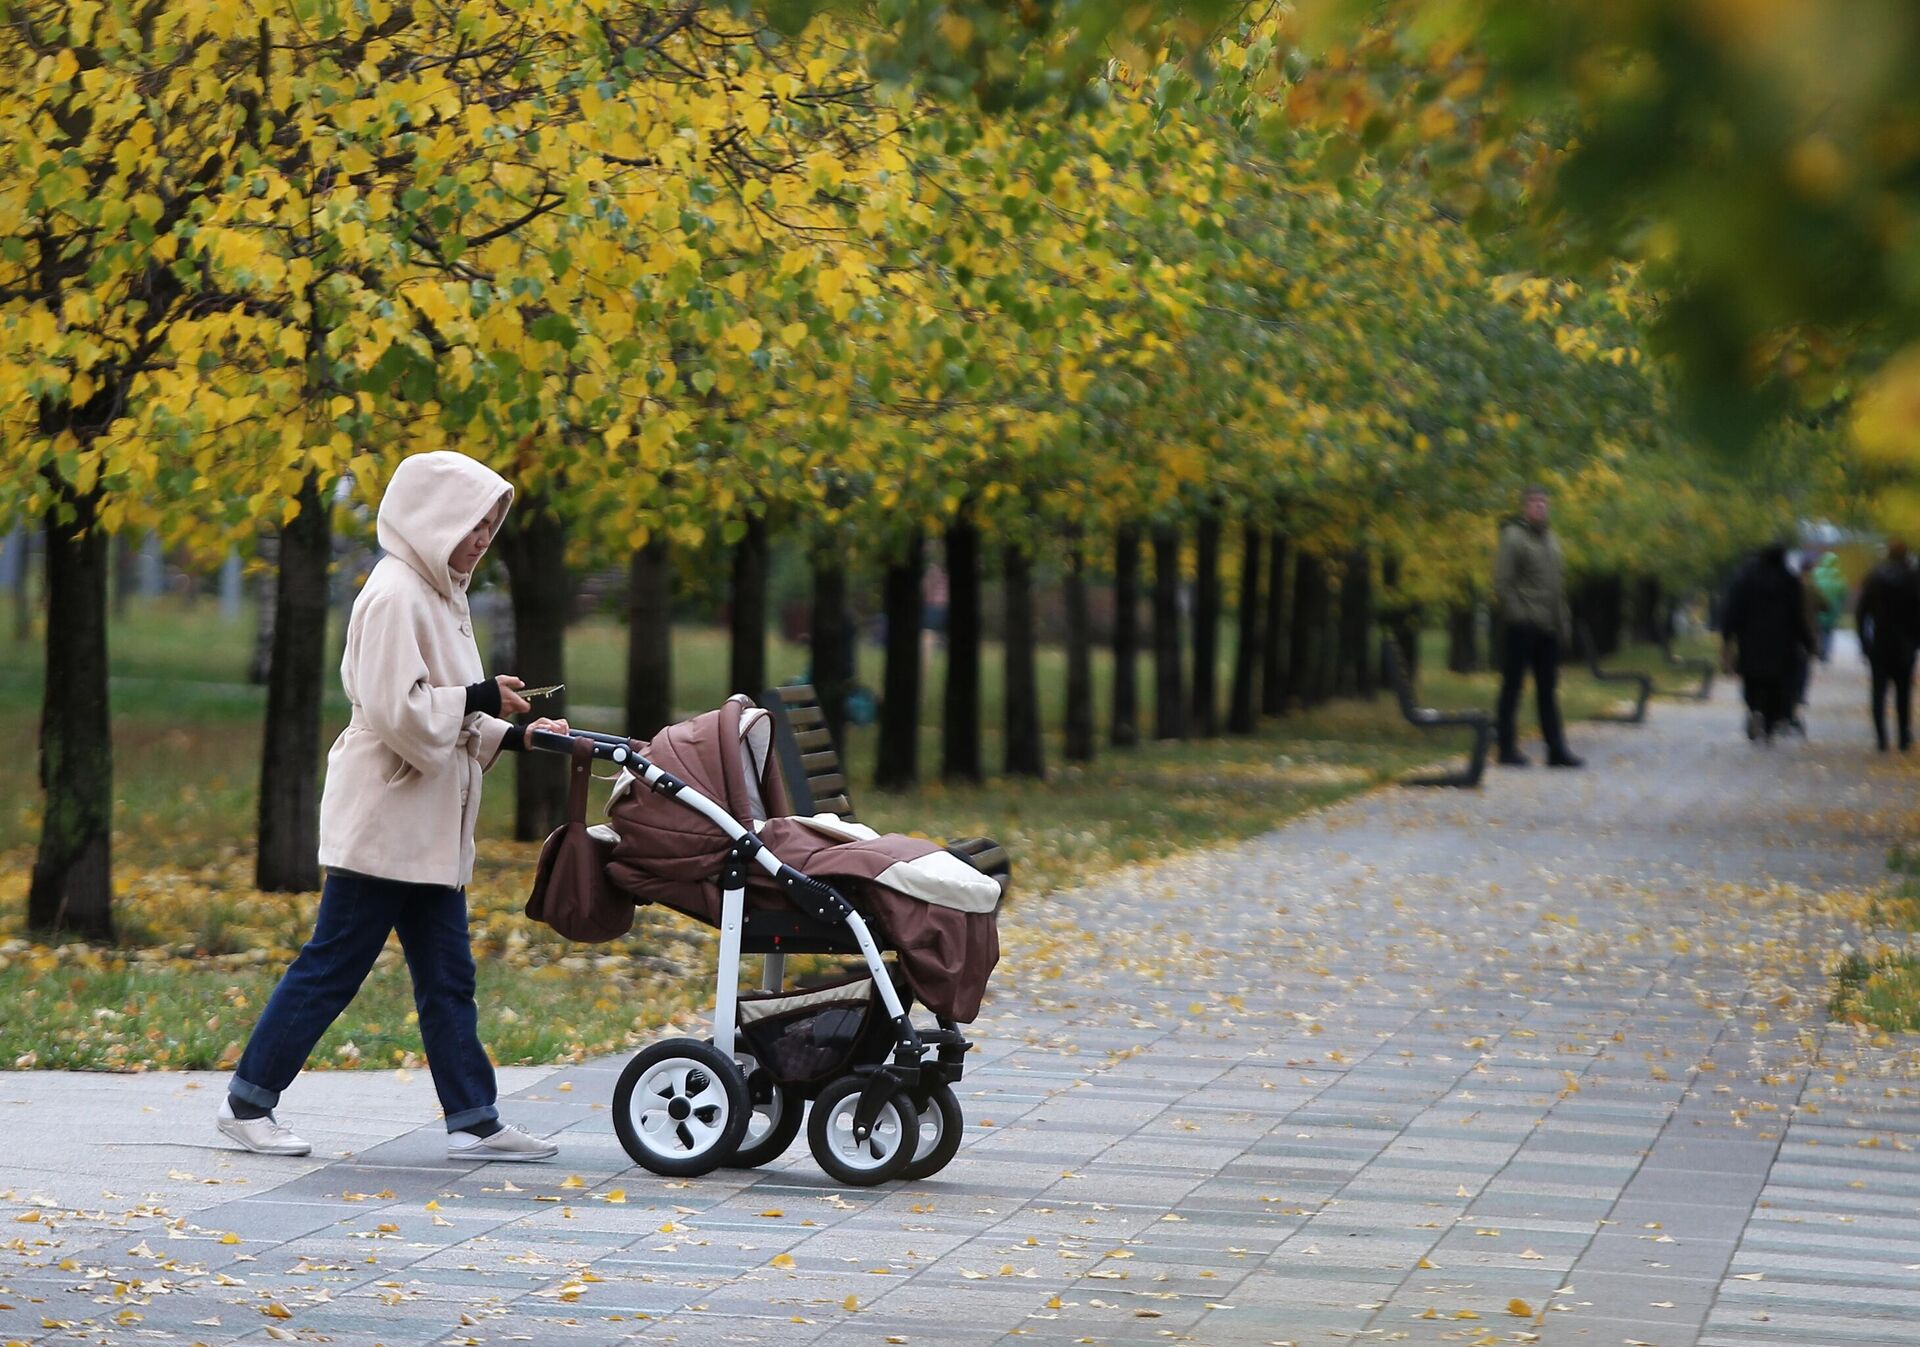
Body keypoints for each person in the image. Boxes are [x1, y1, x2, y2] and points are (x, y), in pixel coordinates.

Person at [218, 452, 570, 1161]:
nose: (481, 538)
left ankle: (475, 1118)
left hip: (427, 831)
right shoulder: (394, 594)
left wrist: (521, 734)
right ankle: (248, 1104)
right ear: (433, 519)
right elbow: (396, 711)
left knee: (447, 978)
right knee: (333, 967)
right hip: (386, 823)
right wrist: (477, 698)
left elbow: (451, 711)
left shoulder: (444, 594)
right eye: (471, 524)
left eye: (489, 525)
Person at [1493, 485, 1583, 768]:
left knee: (1547, 690)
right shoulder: (1514, 537)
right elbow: (1502, 584)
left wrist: (1562, 623)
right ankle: (1506, 749)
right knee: (1512, 688)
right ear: (1524, 507)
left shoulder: (1551, 540)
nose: (1540, 507)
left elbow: (1558, 588)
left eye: (1544, 502)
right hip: (1523, 626)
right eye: (1534, 502)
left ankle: (1555, 749)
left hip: (1548, 628)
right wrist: (1520, 616)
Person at [1721, 542, 1817, 744]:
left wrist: (1728, 635)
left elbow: (1734, 608)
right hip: (1782, 643)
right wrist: (1807, 642)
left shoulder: (1745, 579)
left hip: (1751, 641)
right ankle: (1769, 724)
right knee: (1777, 684)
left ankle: (1754, 709)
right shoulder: (1789, 581)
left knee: (1752, 680)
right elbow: (1797, 615)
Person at [1857, 540, 1920, 752]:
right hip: (1905, 644)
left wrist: (1863, 641)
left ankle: (1881, 738)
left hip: (1880, 643)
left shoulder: (1874, 578)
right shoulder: (1913, 579)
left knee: (1878, 692)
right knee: (1903, 693)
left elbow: (1861, 612)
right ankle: (1903, 736)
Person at [1812, 551, 1849, 661]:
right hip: (1832, 608)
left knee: (1818, 630)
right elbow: (1843, 593)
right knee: (1828, 631)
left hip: (1818, 608)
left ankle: (1818, 650)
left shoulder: (1816, 573)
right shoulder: (1839, 575)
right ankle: (1825, 652)